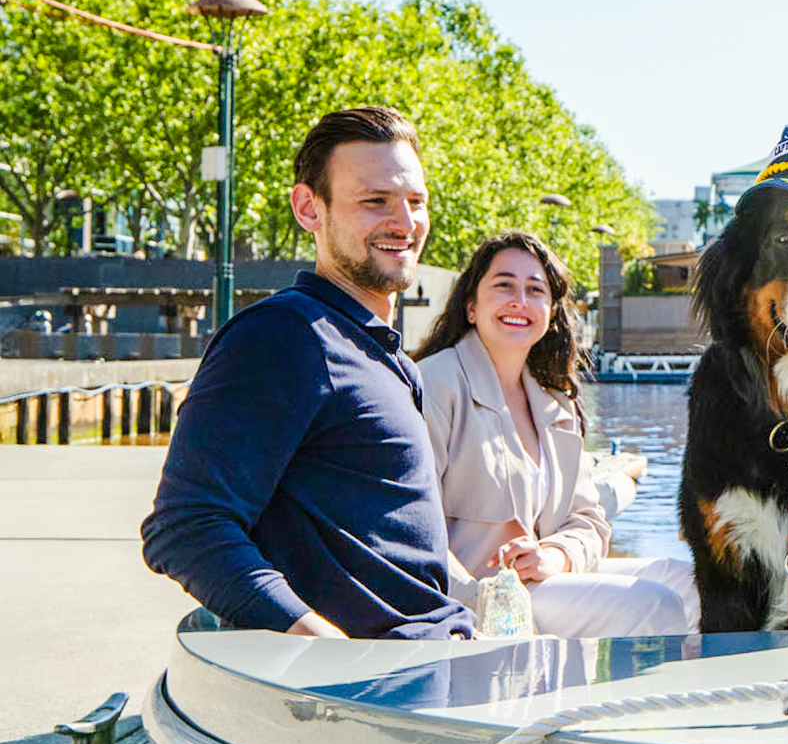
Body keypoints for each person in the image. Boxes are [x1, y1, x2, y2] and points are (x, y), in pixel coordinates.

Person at [142, 106, 473, 640]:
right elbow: (185, 527)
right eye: (375, 202)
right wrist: (318, 645)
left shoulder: (385, 356)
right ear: (308, 208)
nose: (406, 224)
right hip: (377, 689)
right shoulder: (282, 336)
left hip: (437, 656)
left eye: (416, 202)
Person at [412, 231, 699, 639]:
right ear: (471, 307)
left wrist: (555, 555)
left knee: (691, 585)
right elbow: (412, 527)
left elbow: (589, 519)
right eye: (504, 285)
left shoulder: (555, 403)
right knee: (653, 606)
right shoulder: (435, 384)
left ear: (550, 312)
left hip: (543, 579)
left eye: (535, 290)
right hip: (478, 597)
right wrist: (489, 605)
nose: (521, 301)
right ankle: (628, 704)